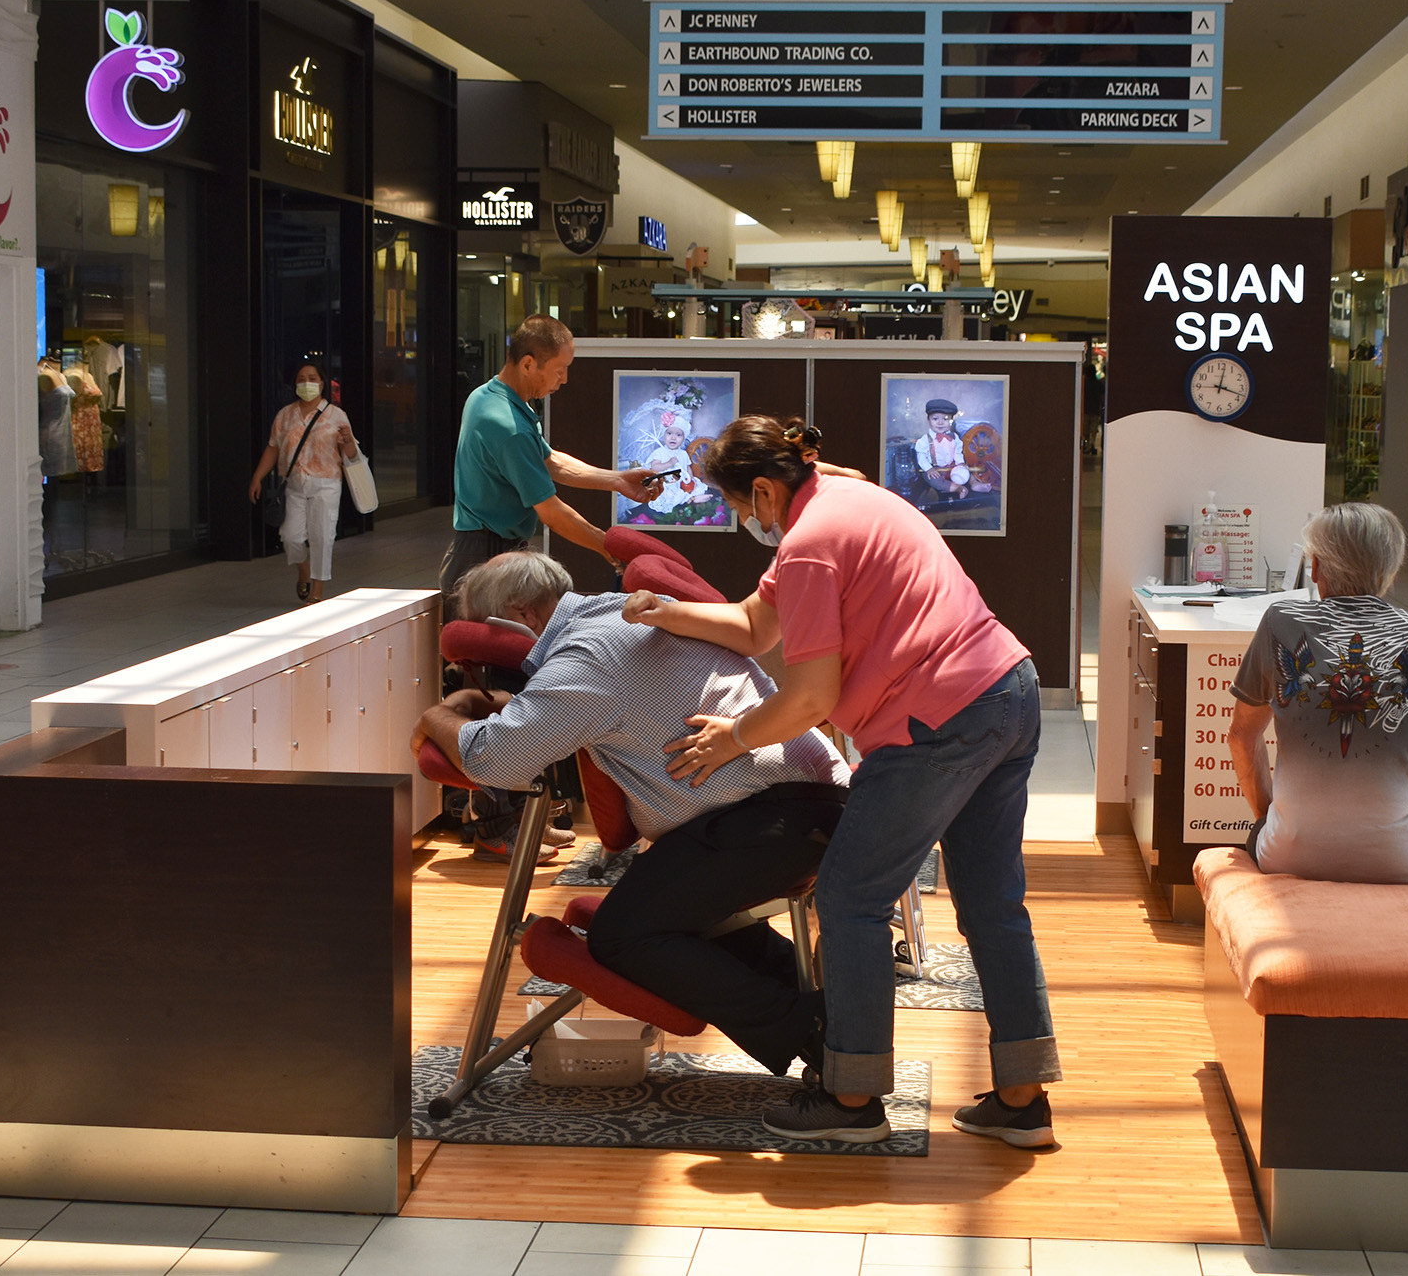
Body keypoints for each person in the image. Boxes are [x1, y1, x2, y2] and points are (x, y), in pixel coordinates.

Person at [623, 416, 1060, 1148]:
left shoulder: (810, 545)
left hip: (936, 720)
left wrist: (728, 739)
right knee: (992, 903)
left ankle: (851, 1095)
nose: (743, 520)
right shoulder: (852, 500)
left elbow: (809, 701)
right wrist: (670, 612)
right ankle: (1022, 1096)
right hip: (1006, 689)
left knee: (850, 896)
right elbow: (754, 624)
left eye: (739, 506)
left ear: (764, 491)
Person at [412, 551, 853, 1084]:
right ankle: (841, 1027)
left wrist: (438, 715)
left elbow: (495, 760)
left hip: (767, 818)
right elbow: (594, 698)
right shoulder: (628, 614)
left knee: (625, 936)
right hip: (808, 805)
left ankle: (815, 1035)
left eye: (487, 637)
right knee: (678, 918)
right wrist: (506, 701)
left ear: (520, 615)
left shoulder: (586, 658)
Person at [1228, 503, 1408, 929]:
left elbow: (1242, 738)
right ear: (1391, 570)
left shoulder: (1281, 622)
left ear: (1316, 568)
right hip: (1405, 859)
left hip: (1286, 852)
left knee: (1263, 837)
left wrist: (1271, 820)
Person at [440, 314, 663, 601]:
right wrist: (607, 546)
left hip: (488, 552)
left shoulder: (488, 397)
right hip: (483, 562)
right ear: (528, 364)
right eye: (560, 370)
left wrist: (618, 480)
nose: (565, 379)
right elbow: (552, 513)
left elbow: (550, 460)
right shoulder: (509, 427)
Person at [248, 361, 359, 603]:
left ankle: (317, 590)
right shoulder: (285, 415)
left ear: (322, 382)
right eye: (301, 379)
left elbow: (351, 455)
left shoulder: (336, 415)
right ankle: (303, 569)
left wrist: (348, 440)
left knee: (322, 536)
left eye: (312, 378)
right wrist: (258, 476)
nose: (306, 383)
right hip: (295, 485)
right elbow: (273, 448)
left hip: (326, 484)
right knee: (290, 536)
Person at [913, 399, 975, 499]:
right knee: (935, 481)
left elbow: (957, 452)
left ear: (951, 420)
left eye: (945, 419)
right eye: (935, 419)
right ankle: (958, 489)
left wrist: (960, 463)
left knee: (967, 470)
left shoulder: (954, 437)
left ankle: (974, 483)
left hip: (952, 467)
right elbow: (921, 457)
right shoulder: (924, 440)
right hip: (935, 469)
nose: (940, 423)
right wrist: (929, 469)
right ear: (928, 419)